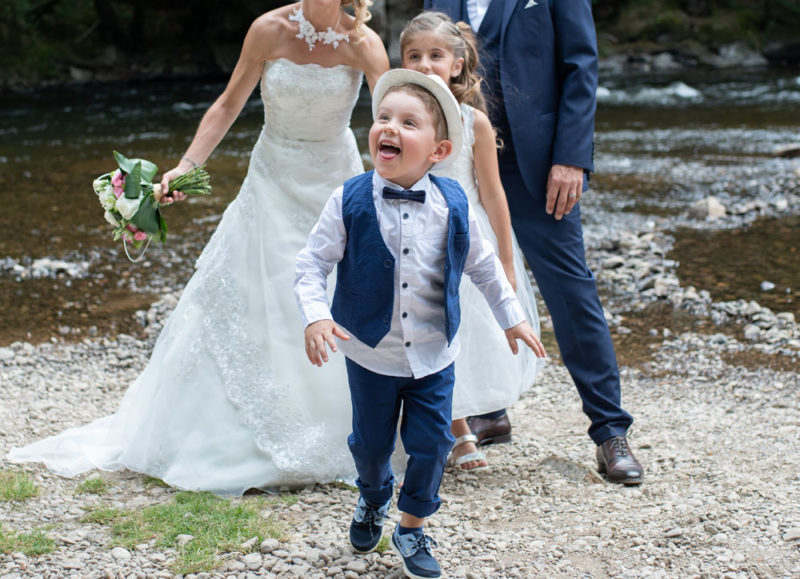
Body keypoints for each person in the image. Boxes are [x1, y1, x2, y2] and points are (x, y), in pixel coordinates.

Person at [8, 0, 389, 495]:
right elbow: (228, 103)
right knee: (255, 291)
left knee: (337, 291)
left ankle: (349, 425)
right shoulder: (267, 29)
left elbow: (391, 119)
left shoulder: (362, 41)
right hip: (272, 176)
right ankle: (234, 432)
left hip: (335, 182)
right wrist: (185, 168)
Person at [294, 69, 546, 579]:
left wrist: (512, 319)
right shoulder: (348, 199)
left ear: (439, 150)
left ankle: (411, 525)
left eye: (408, 122)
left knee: (432, 445)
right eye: (383, 117)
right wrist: (317, 317)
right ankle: (373, 496)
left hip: (435, 355)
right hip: (370, 354)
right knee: (369, 445)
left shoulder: (454, 204)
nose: (390, 127)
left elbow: (483, 265)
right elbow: (310, 265)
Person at [424, 0, 644, 484]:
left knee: (570, 290)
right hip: (454, 161)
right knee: (454, 287)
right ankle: (487, 409)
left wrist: (571, 157)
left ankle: (610, 431)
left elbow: (581, 64)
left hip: (540, 164)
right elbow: (427, 64)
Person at [399, 11, 543, 472]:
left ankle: (457, 427)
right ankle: (451, 430)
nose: (424, 64)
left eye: (435, 56)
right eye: (413, 56)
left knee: (462, 336)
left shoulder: (473, 122)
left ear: (457, 65)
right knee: (418, 332)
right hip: (412, 239)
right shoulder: (398, 117)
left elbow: (493, 193)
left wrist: (505, 257)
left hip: (464, 241)